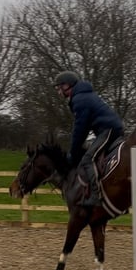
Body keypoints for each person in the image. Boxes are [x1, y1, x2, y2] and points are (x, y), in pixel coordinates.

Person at [53, 71, 124, 207]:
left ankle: (96, 196)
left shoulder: (79, 100)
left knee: (87, 159)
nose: (58, 92)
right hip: (108, 129)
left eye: (59, 87)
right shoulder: (83, 96)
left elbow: (80, 130)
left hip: (108, 130)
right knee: (94, 157)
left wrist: (73, 153)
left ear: (67, 85)